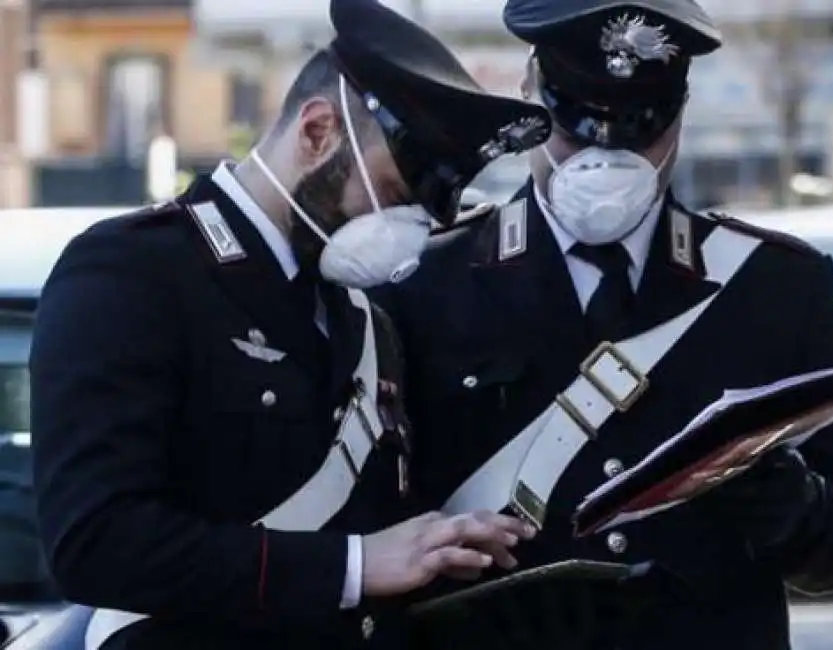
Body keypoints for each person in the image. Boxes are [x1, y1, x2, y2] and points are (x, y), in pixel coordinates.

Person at [370, 0, 833, 648]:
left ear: (677, 117)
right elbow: (371, 532)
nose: (604, 156)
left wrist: (797, 508)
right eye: (576, 126)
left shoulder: (772, 286)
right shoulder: (422, 283)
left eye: (634, 130)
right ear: (529, 99)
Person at [27, 0, 553, 648]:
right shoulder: (136, 271)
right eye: (391, 196)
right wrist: (356, 566)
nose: (402, 235)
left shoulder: (364, 321)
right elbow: (95, 542)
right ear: (316, 132)